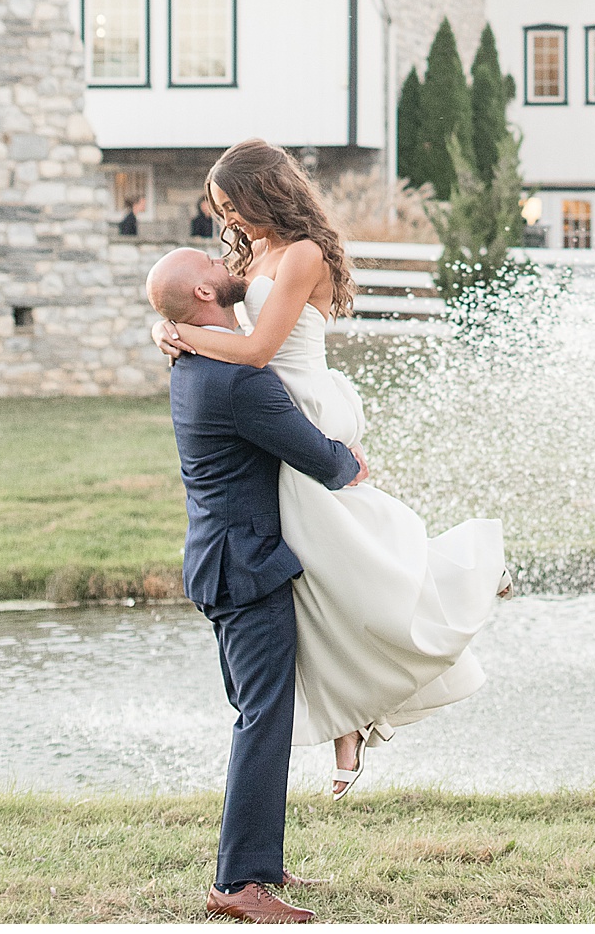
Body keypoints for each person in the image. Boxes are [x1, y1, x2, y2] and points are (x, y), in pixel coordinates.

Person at [152, 139, 509, 804]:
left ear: (267, 193)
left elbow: (257, 349)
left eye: (235, 205)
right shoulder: (251, 251)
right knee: (319, 582)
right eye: (221, 208)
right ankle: (353, 717)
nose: (228, 219)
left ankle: (461, 573)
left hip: (302, 408)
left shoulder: (303, 253)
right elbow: (193, 297)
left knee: (351, 566)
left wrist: (184, 338)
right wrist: (166, 326)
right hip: (270, 412)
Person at [145, 245, 370, 926]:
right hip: (243, 567)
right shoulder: (237, 379)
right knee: (261, 721)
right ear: (207, 294)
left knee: (260, 715)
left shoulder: (197, 355)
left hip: (224, 559)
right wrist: (349, 461)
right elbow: (318, 458)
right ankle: (238, 883)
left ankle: (258, 865)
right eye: (211, 261)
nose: (225, 258)